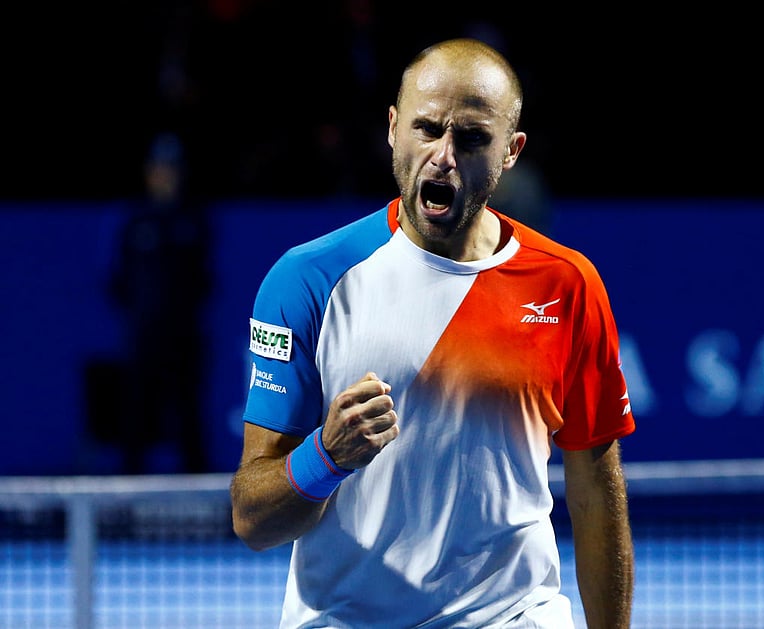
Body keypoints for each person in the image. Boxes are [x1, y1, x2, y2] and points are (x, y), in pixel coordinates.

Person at [230, 38, 636, 628]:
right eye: (426, 129)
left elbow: (597, 496)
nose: (443, 156)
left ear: (511, 151)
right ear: (393, 129)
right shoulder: (308, 281)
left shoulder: (567, 284)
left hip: (513, 616)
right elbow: (252, 519)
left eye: (471, 139)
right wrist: (326, 455)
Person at [109, 131, 212, 474]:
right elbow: (118, 281)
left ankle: (201, 497)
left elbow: (204, 281)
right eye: (159, 169)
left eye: (172, 169)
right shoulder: (134, 221)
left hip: (183, 337)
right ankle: (125, 494)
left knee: (187, 414)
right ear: (149, 172)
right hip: (143, 337)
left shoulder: (193, 221)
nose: (165, 177)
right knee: (136, 413)